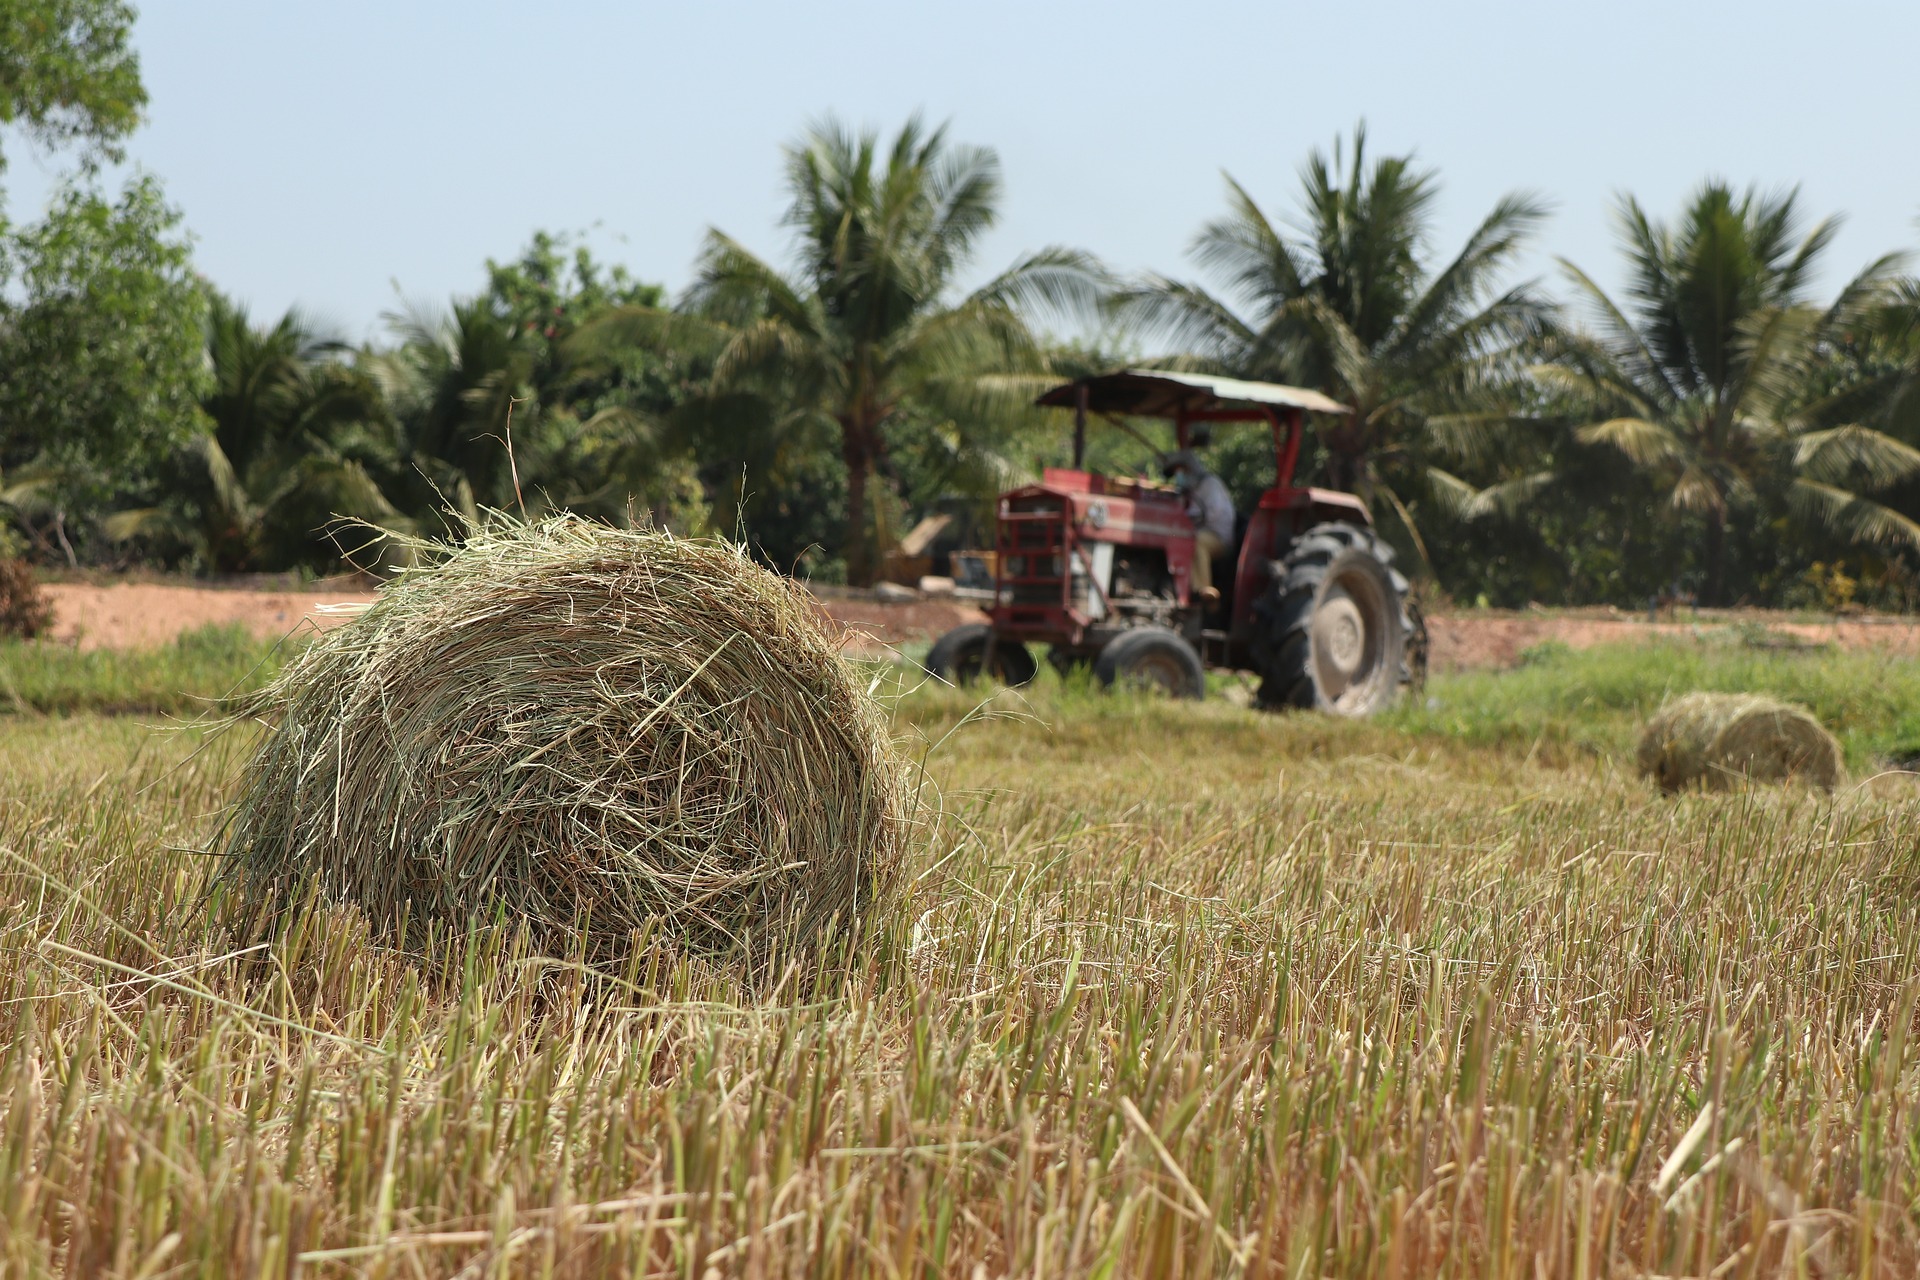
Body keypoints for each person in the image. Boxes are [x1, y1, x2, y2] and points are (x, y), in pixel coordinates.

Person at [1163, 449, 1232, 603]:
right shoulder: (1189, 490)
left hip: (1219, 538)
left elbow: (1210, 513)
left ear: (1190, 468)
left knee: (1197, 541)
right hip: (1198, 531)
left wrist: (1186, 517)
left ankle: (1202, 590)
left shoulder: (1210, 484)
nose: (1178, 476)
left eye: (1180, 471)